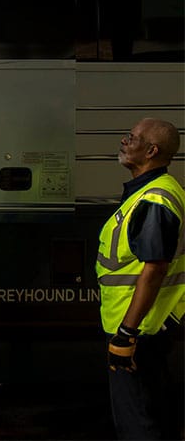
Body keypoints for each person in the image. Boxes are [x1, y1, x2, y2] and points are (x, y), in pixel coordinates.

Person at [97, 118, 184, 440]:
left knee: (138, 421)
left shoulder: (154, 200)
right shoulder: (153, 192)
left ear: (151, 150)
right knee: (157, 411)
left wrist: (125, 335)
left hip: (139, 329)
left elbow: (155, 268)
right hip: (152, 324)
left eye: (131, 137)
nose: (124, 141)